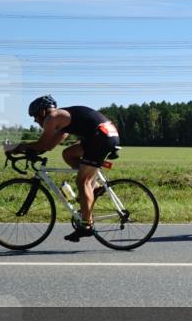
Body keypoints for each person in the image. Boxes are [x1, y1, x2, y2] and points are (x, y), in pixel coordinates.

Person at [9, 95, 120, 242]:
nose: (35, 121)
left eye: (34, 116)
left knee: (83, 181)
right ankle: (96, 187)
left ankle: (86, 226)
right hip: (104, 135)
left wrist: (17, 147)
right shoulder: (63, 121)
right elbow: (48, 146)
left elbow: (42, 143)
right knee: (68, 154)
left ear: (42, 112)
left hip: (101, 138)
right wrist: (31, 150)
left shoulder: (52, 117)